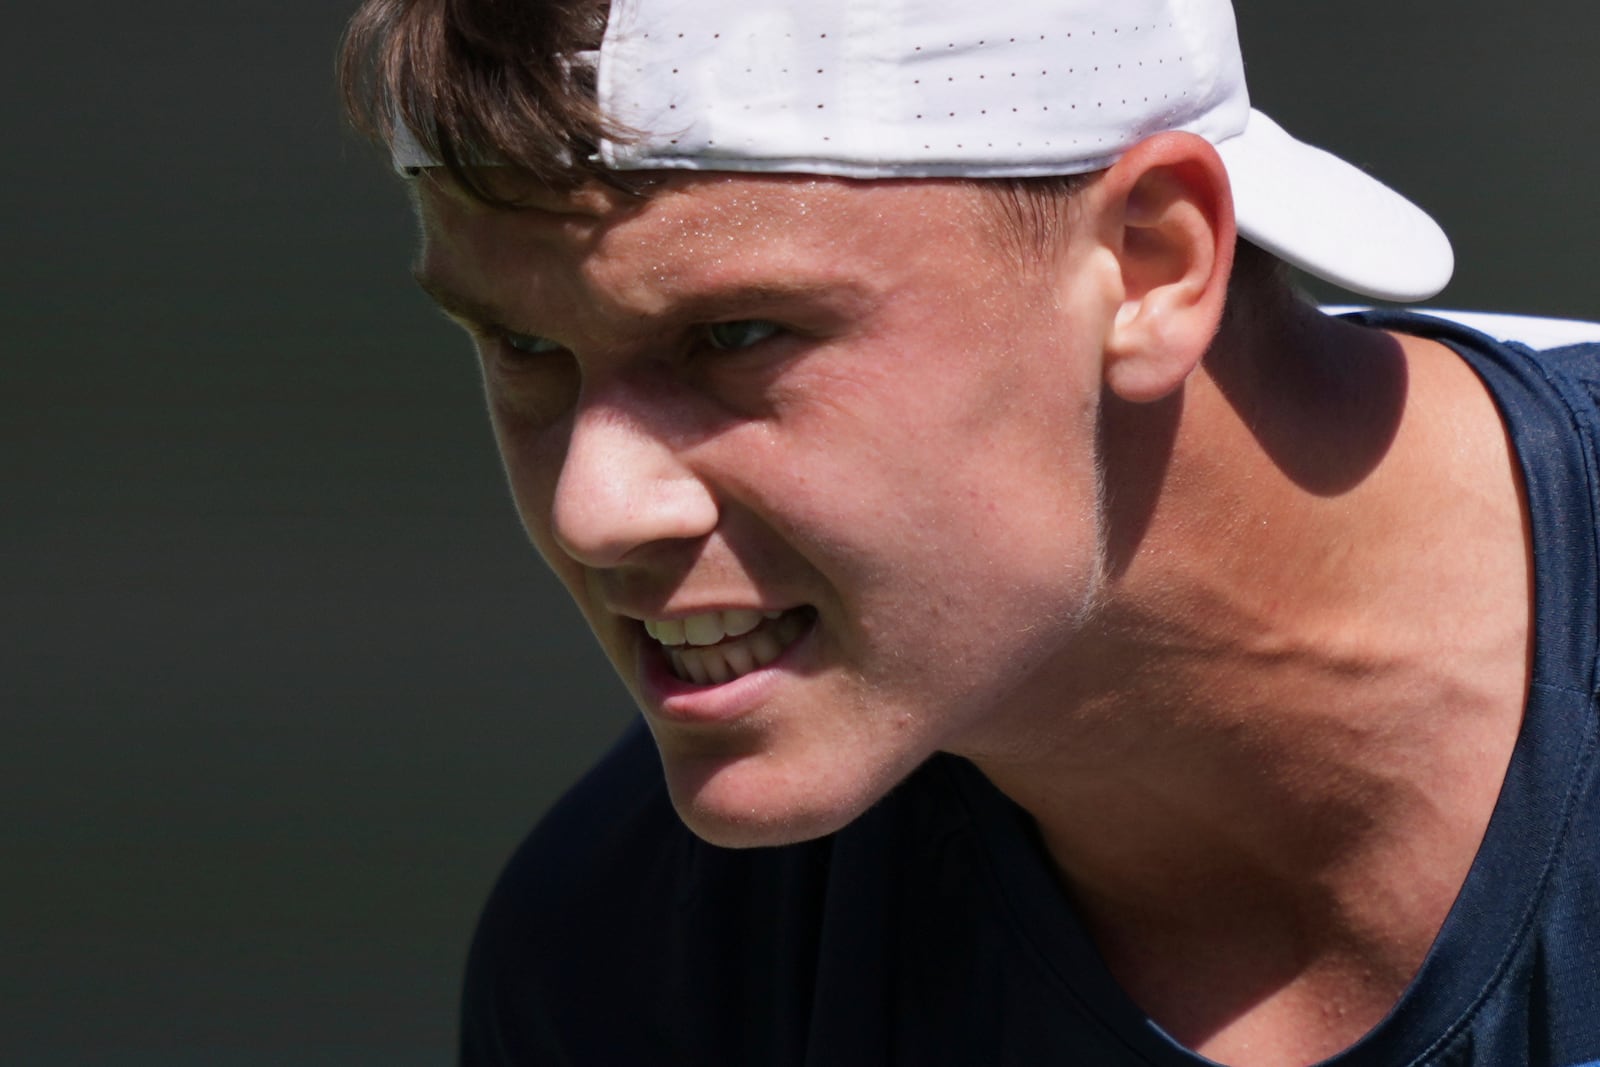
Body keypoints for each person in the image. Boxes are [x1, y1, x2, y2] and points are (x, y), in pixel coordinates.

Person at [339, 0, 1600, 1063]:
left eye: (734, 335)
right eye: (521, 346)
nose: (595, 509)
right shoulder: (622, 963)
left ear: (1151, 263)